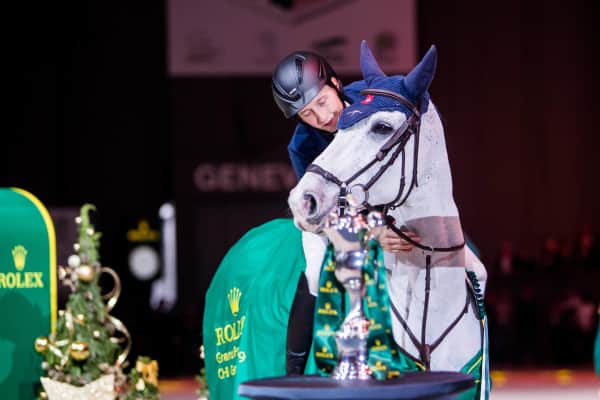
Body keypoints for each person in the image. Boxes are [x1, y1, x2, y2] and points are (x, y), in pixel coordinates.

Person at [271, 50, 420, 374]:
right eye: (307, 114)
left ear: (336, 84)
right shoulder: (303, 146)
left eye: (322, 102)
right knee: (315, 271)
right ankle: (292, 372)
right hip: (337, 219)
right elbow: (324, 214)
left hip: (393, 201)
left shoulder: (373, 101)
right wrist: (376, 232)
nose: (321, 117)